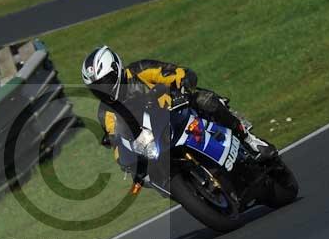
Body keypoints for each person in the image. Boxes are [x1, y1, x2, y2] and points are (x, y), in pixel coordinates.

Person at [81, 46, 277, 180]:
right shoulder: (106, 112)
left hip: (177, 111)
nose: (103, 89)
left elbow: (175, 72)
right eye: (97, 87)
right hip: (156, 139)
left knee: (204, 100)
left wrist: (180, 84)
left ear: (117, 69)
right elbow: (115, 138)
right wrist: (124, 160)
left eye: (106, 81)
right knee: (150, 175)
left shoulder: (140, 70)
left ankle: (249, 139)